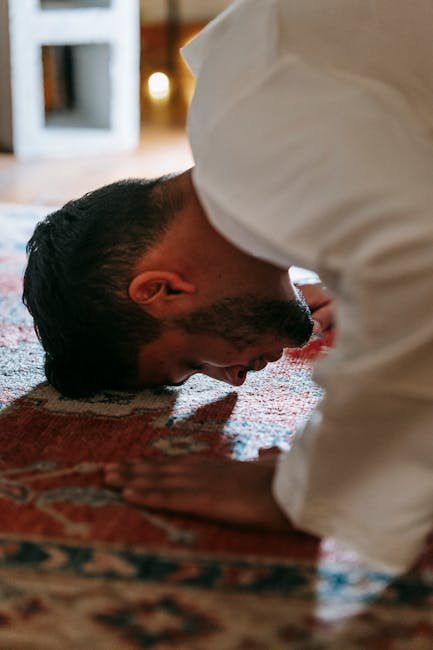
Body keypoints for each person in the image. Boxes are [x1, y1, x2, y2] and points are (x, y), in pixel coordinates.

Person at [27, 0, 433, 574]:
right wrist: (364, 268)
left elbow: (418, 301)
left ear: (164, 290)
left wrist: (306, 490)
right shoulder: (241, 106)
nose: (236, 380)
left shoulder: (285, 145)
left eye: (194, 363)